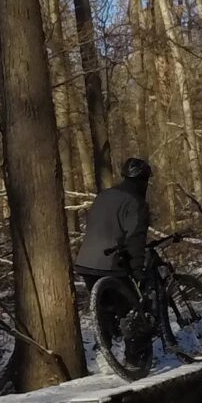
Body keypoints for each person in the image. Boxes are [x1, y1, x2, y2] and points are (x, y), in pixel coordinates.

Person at [75, 156, 156, 374]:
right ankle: (134, 360)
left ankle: (105, 352)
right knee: (133, 308)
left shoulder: (104, 196)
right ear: (144, 181)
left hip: (86, 262)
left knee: (105, 308)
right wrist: (138, 269)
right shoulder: (136, 201)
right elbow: (136, 238)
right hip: (111, 262)